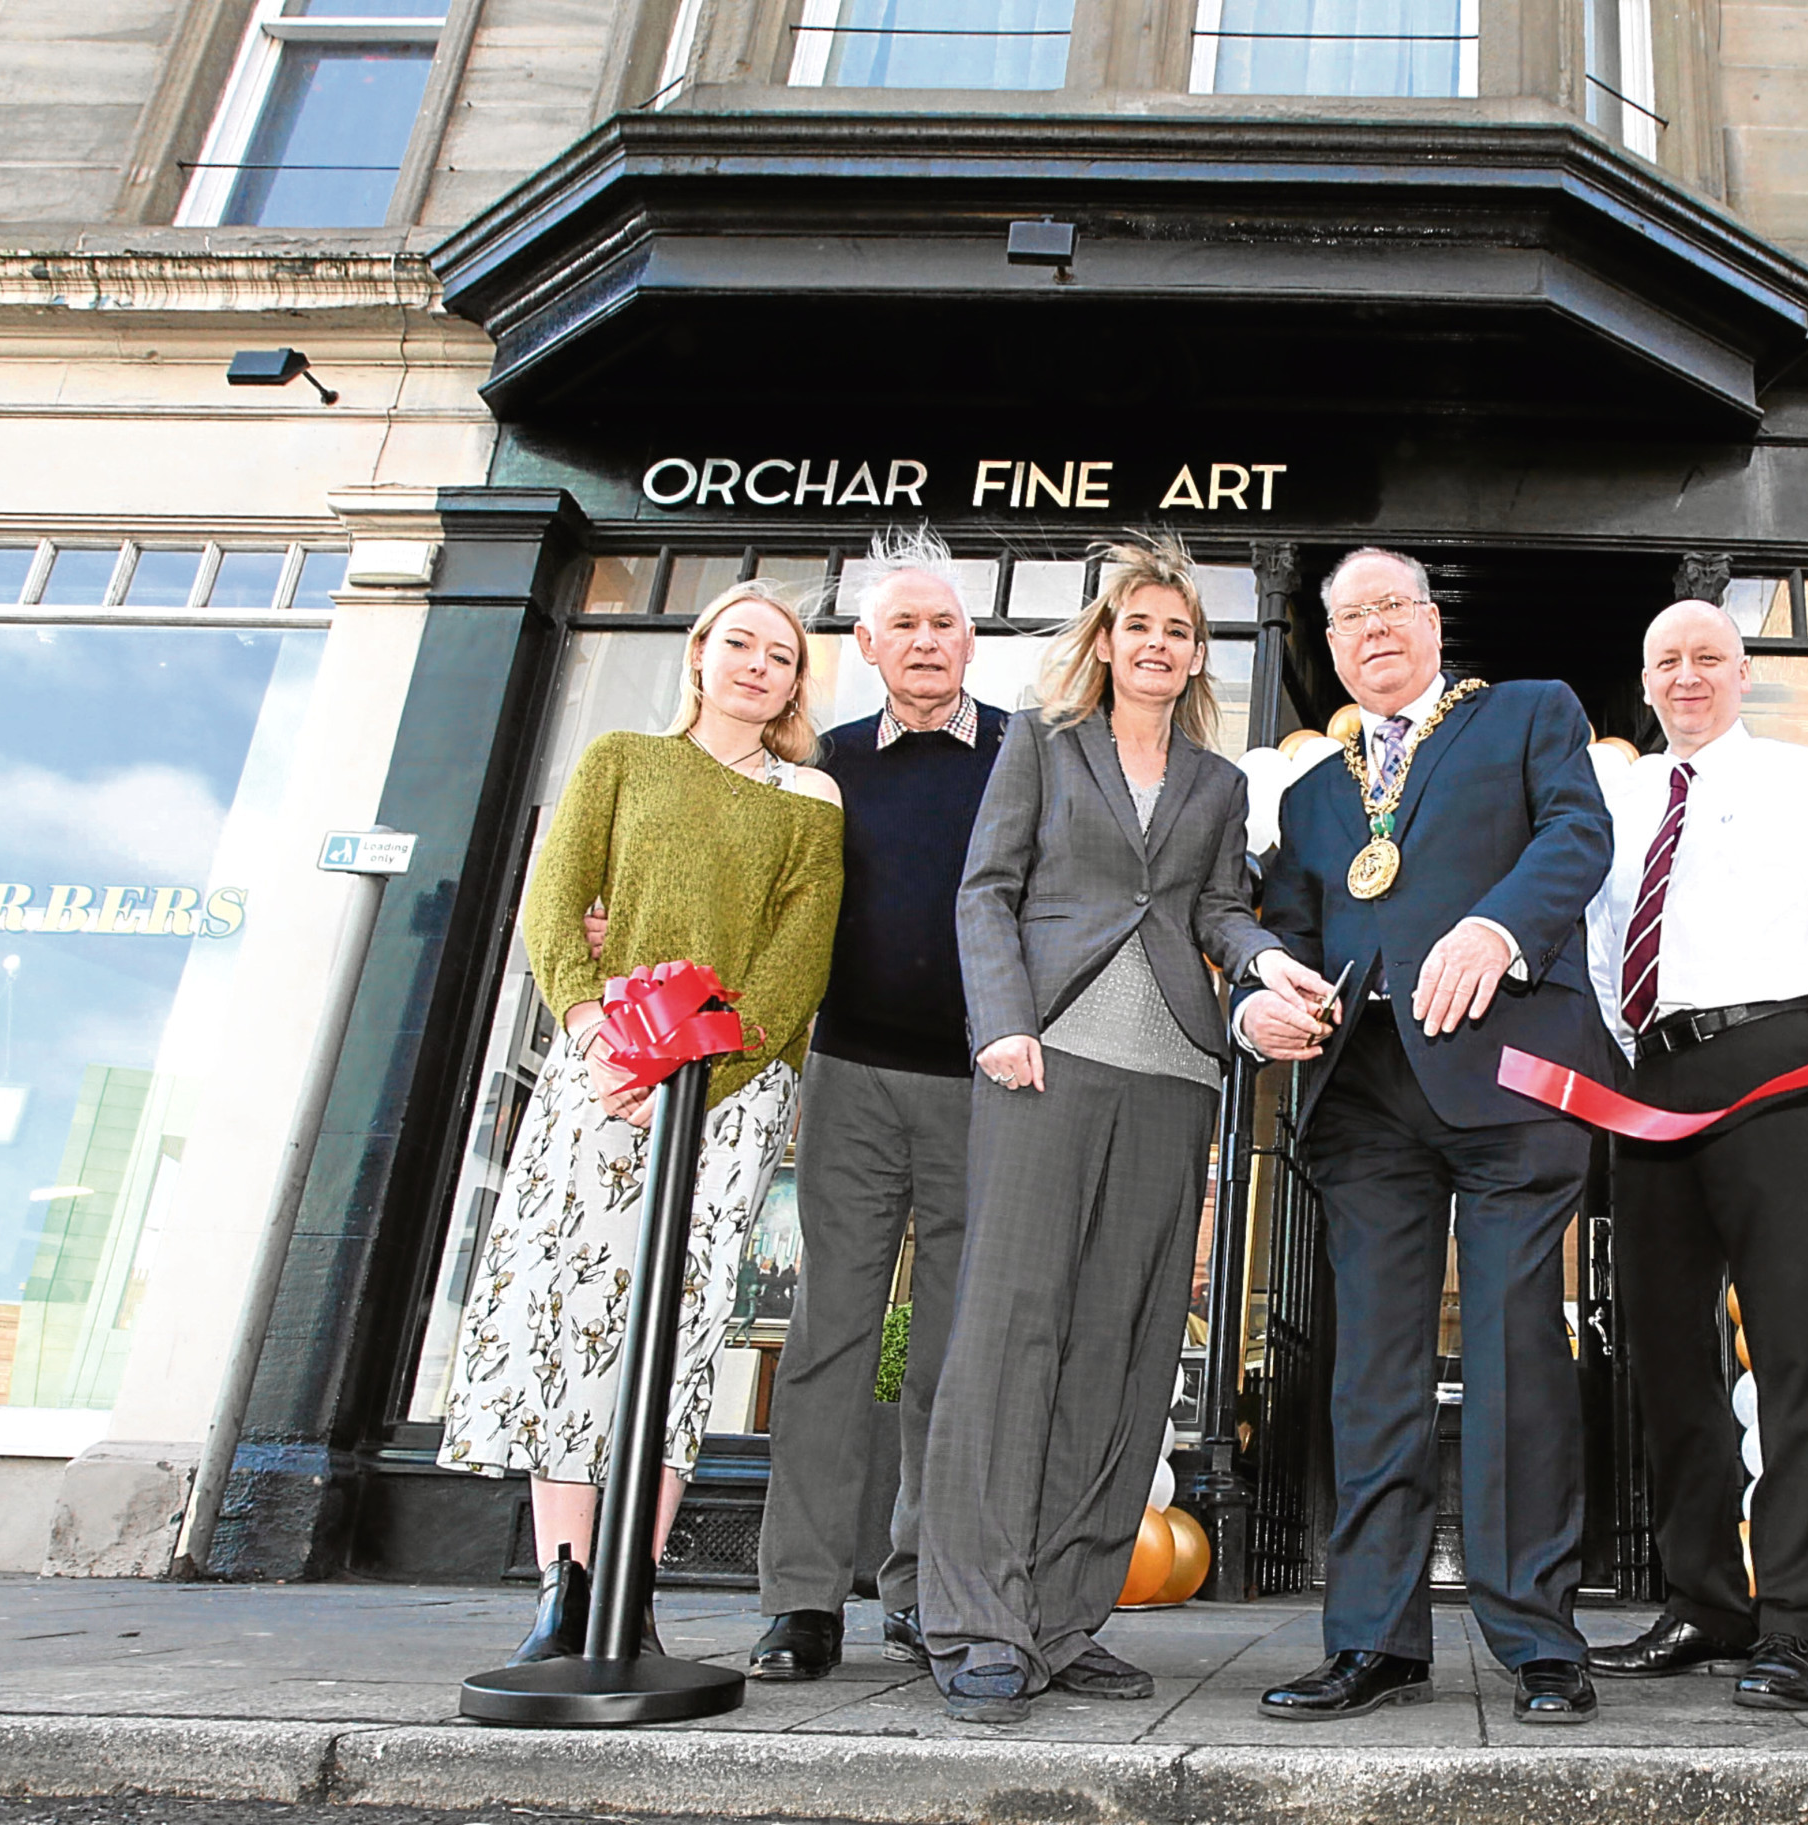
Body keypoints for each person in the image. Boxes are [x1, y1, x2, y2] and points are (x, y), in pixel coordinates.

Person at [919, 537, 1328, 1724]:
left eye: (1179, 632)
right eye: (1138, 626)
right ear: (1104, 641)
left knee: (1127, 1345)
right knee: (1011, 1339)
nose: (1159, 646)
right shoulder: (1040, 747)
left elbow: (1213, 908)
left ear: (1198, 655)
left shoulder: (1216, 783)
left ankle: (1060, 1615)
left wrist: (1264, 961)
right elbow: (984, 890)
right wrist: (1000, 1021)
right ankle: (978, 1619)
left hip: (1174, 1076)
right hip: (1042, 1060)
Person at [1235, 547, 1615, 1726]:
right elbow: (1285, 927)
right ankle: (1373, 1640)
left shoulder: (1532, 714)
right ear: (1335, 648)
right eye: (1348, 619)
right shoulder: (1308, 797)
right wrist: (1265, 1004)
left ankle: (1538, 1637)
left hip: (1509, 1074)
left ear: (1433, 621)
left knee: (1516, 1358)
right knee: (1372, 1376)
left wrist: (1498, 928)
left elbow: (1577, 835)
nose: (1372, 632)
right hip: (1364, 1100)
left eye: (1391, 607)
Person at [439, 579, 844, 1663]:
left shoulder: (812, 799)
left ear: (798, 684)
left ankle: (636, 1586)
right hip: (603, 1074)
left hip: (729, 1093)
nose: (760, 665)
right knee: (575, 1320)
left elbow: (796, 962)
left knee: (680, 1329)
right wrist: (589, 1032)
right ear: (701, 655)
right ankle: (562, 1589)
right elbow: (553, 899)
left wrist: (698, 1074)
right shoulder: (622, 759)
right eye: (742, 643)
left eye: (783, 655)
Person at [1581, 599, 1808, 1711]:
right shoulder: (1622, 800)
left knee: (1795, 1354)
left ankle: (1799, 1623)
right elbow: (1595, 945)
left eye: (1708, 657)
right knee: (1666, 1356)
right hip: (1653, 1081)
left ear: (1744, 671)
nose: (1687, 676)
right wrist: (1633, 1064)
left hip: (1783, 1067)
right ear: (1646, 677)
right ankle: (1707, 1601)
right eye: (1665, 658)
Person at [746, 531, 1006, 1681]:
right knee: (830, 1340)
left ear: (968, 637)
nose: (926, 640)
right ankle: (803, 1598)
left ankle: (923, 1586)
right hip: (848, 1078)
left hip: (981, 1089)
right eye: (902, 624)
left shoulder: (1024, 755)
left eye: (943, 622)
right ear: (866, 646)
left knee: (952, 1354)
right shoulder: (824, 766)